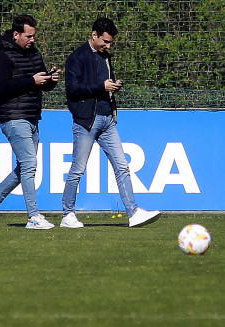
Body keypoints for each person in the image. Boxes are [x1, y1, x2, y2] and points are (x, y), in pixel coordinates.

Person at [61, 17, 160, 228]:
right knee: (77, 170)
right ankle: (67, 215)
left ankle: (133, 213)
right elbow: (72, 88)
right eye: (105, 41)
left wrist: (114, 85)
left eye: (110, 42)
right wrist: (101, 86)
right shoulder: (77, 57)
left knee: (122, 166)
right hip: (86, 122)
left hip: (108, 120)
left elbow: (104, 83)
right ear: (94, 35)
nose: (108, 45)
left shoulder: (106, 57)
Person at [0, 14, 59, 229]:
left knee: (24, 167)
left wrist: (50, 81)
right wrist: (32, 80)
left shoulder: (34, 54)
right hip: (13, 117)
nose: (32, 40)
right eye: (28, 36)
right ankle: (33, 217)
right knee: (30, 166)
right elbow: (2, 88)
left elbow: (39, 85)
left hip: (32, 116)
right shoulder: (1, 56)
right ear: (16, 34)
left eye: (34, 36)